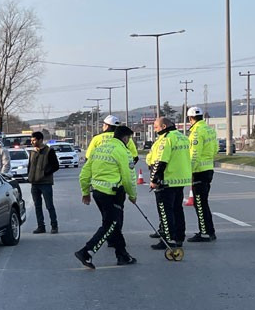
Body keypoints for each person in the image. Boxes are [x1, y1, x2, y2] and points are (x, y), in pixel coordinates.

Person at [74, 125, 138, 269]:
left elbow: (84, 173)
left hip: (97, 192)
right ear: (125, 138)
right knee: (111, 225)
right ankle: (87, 251)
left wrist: (85, 192)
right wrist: (132, 195)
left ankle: (122, 255)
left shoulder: (99, 148)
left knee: (113, 224)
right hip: (113, 194)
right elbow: (128, 178)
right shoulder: (123, 151)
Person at [147, 117, 192, 251]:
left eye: (156, 127)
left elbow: (160, 161)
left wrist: (154, 180)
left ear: (164, 126)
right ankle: (179, 237)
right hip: (180, 179)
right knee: (177, 209)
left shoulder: (166, 139)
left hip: (167, 180)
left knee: (165, 212)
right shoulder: (182, 137)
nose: (155, 130)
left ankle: (168, 239)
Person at [186, 106, 219, 242]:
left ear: (190, 118)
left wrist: (190, 171)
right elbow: (216, 149)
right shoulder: (209, 130)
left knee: (199, 203)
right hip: (208, 169)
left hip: (199, 171)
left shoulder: (196, 132)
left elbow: (194, 154)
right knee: (203, 202)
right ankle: (209, 230)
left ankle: (205, 232)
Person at [27, 130, 60, 234]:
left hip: (45, 183)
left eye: (34, 140)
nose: (32, 142)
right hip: (34, 183)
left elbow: (56, 166)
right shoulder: (32, 152)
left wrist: (45, 173)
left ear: (40, 140)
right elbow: (30, 166)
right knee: (37, 206)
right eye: (31, 140)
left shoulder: (49, 151)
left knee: (49, 205)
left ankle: (54, 225)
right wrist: (29, 176)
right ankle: (41, 226)